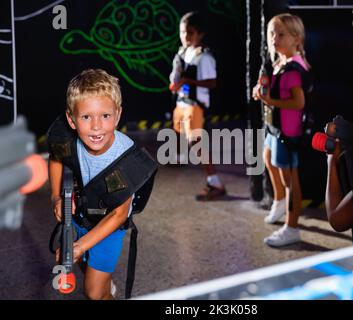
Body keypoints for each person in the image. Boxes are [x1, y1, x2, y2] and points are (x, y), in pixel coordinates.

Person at [47, 69, 156, 299]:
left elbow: (118, 214)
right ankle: (104, 282)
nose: (96, 126)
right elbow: (56, 157)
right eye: (86, 117)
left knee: (94, 294)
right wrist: (56, 197)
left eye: (105, 116)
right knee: (85, 265)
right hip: (78, 219)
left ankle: (104, 291)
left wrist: (81, 245)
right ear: (71, 120)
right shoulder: (66, 138)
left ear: (117, 116)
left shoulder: (127, 160)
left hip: (109, 227)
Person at [252, 13, 311, 247]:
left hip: (288, 132)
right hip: (275, 127)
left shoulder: (293, 69)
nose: (274, 38)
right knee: (267, 157)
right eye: (272, 33)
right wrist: (261, 90)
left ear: (297, 39)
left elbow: (299, 103)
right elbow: (271, 89)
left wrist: (271, 101)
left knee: (290, 179)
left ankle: (292, 227)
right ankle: (279, 201)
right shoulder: (279, 64)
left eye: (281, 34)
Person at [169, 11, 226, 201]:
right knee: (177, 131)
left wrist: (187, 80)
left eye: (190, 33)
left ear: (200, 34)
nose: (185, 37)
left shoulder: (205, 57)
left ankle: (215, 182)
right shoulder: (183, 52)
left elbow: (212, 83)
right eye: (183, 32)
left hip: (196, 105)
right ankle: (179, 159)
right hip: (183, 102)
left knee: (197, 143)